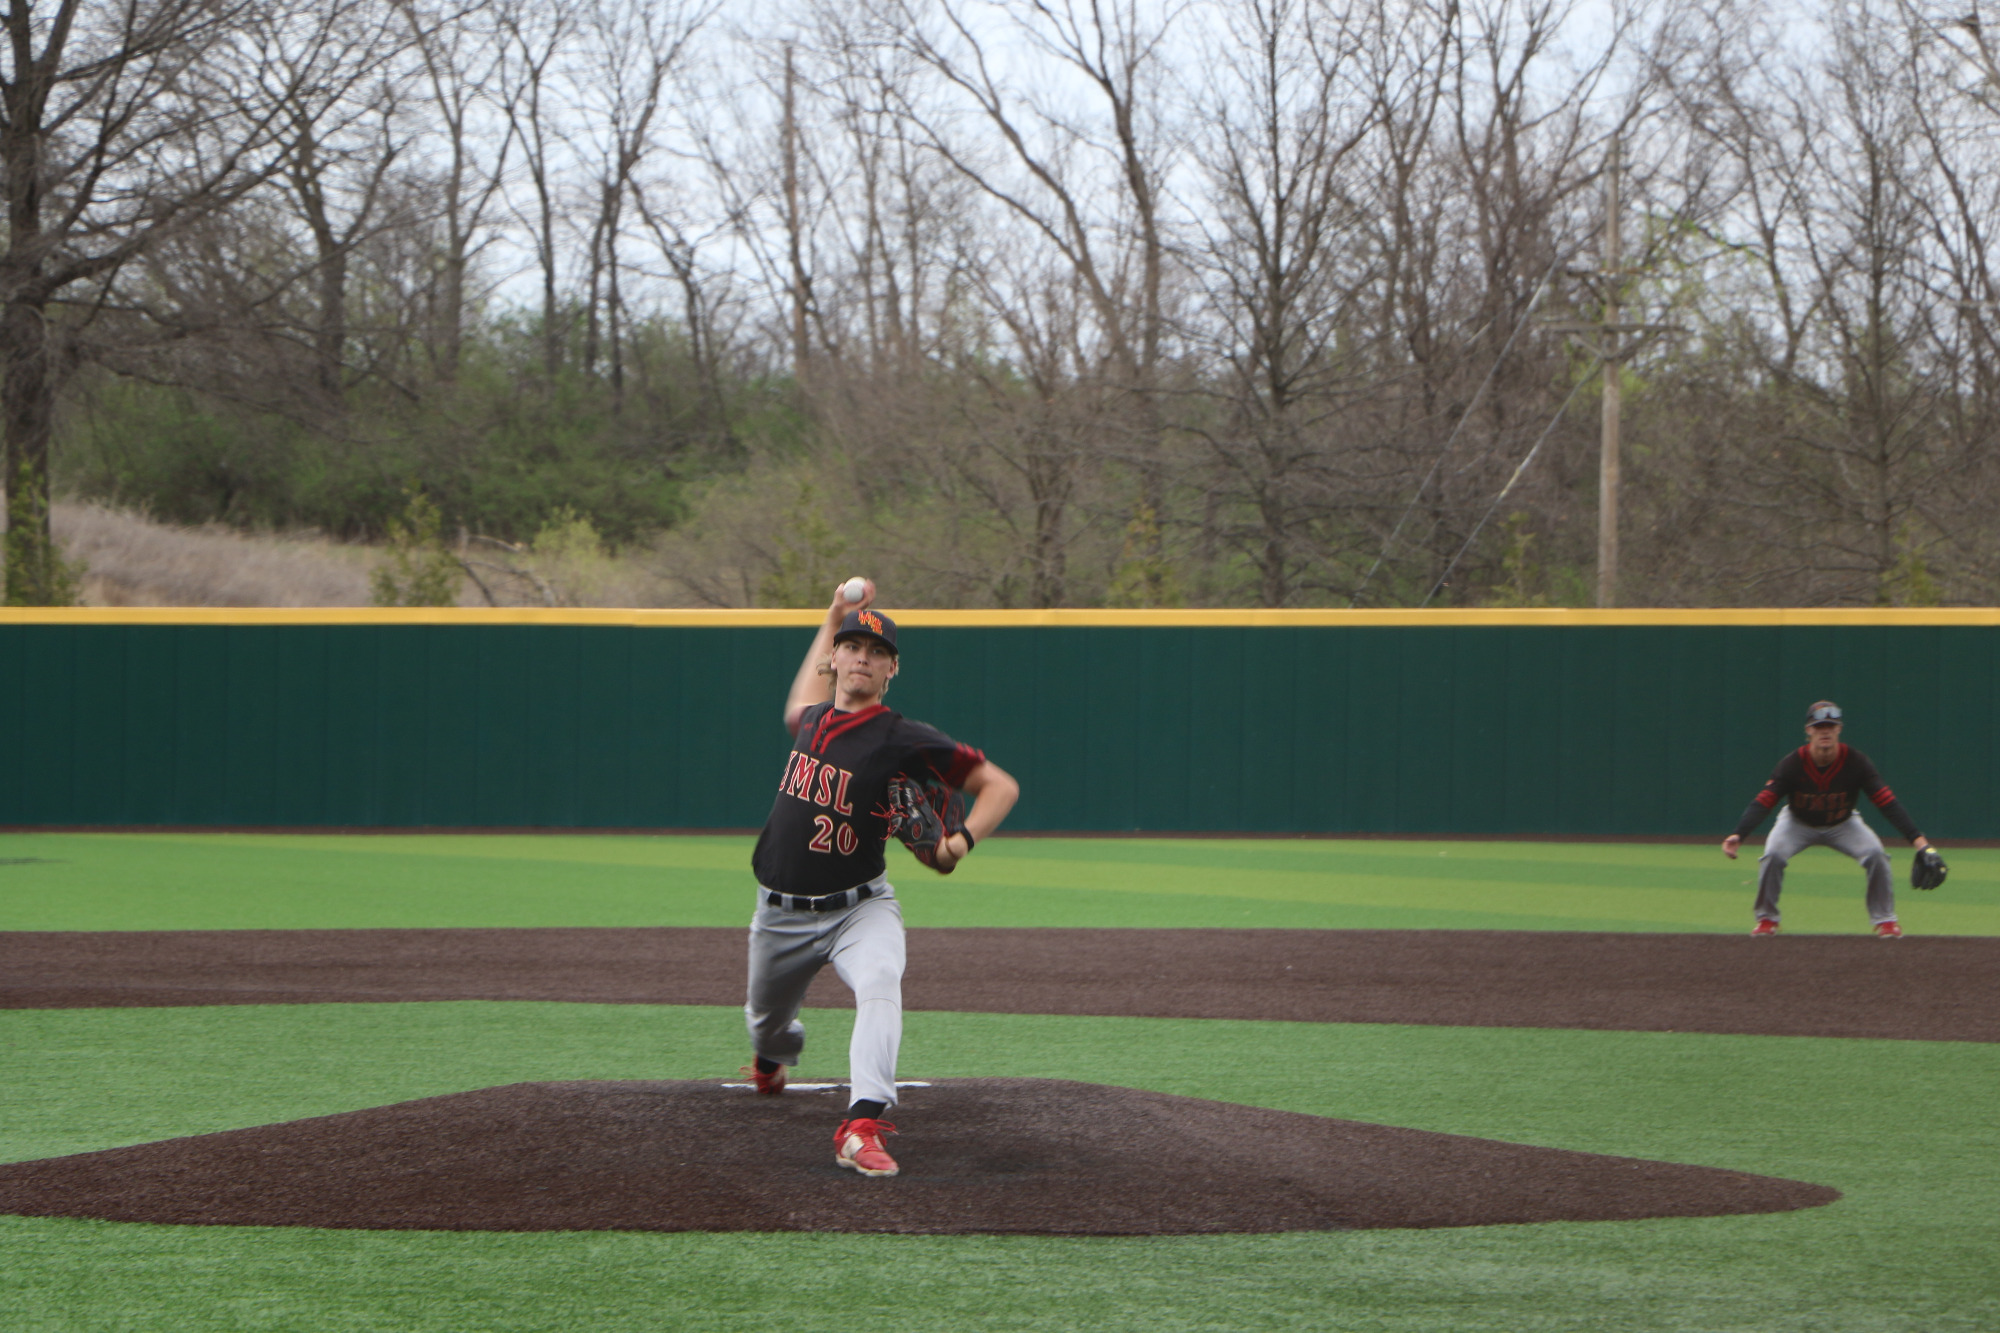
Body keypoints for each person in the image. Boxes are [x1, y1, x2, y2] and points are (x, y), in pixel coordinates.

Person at [741, 581, 1019, 1177]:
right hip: (779, 914)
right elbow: (806, 684)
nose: (862, 656)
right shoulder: (812, 718)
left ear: (891, 668)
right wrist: (833, 615)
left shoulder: (902, 738)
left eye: (876, 650)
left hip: (859, 909)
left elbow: (1001, 786)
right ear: (835, 659)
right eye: (852, 646)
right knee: (765, 1021)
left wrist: (960, 843)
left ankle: (861, 1123)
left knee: (880, 979)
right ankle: (771, 1058)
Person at [1722, 700, 1933, 938]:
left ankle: (1885, 920)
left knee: (1876, 854)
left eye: (1830, 726)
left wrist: (1920, 843)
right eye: (1819, 726)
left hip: (1843, 823)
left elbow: (1887, 802)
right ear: (1808, 730)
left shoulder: (1856, 762)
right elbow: (1764, 801)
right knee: (1773, 855)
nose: (1825, 731)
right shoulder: (1792, 764)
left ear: (1839, 729)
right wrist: (1739, 834)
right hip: (1797, 823)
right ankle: (1766, 919)